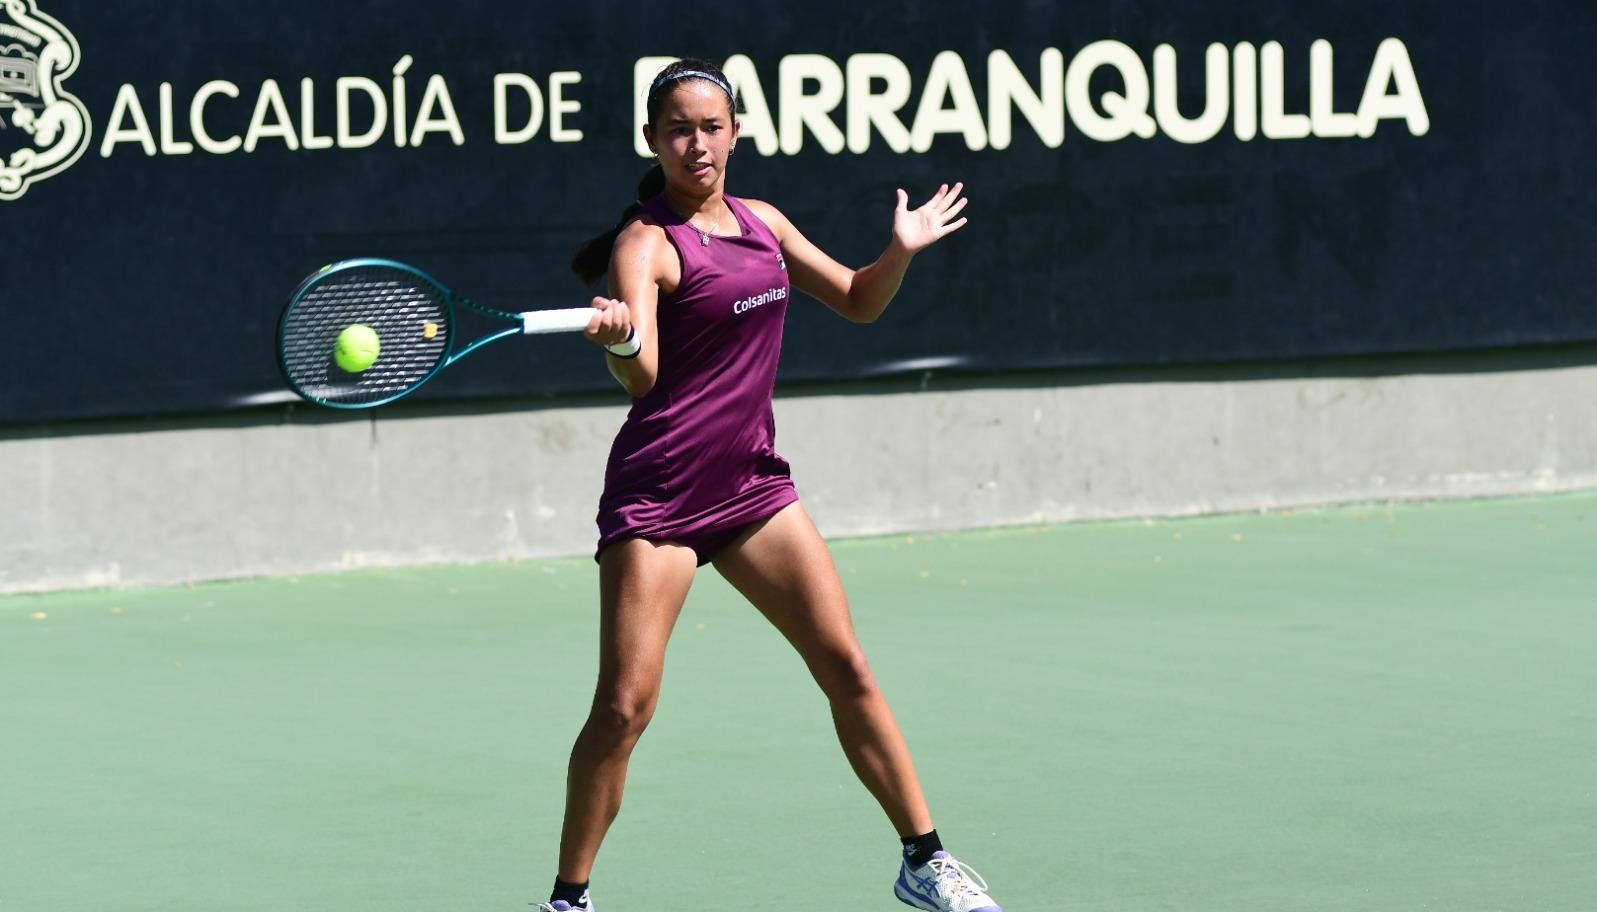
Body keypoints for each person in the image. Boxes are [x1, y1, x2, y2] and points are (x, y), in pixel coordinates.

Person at [542, 58, 997, 912]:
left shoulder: (763, 223)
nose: (696, 143)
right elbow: (642, 378)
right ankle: (569, 900)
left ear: (737, 133)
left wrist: (896, 252)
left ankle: (924, 861)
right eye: (678, 128)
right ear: (652, 140)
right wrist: (615, 335)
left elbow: (860, 301)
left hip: (751, 488)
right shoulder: (645, 244)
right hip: (661, 499)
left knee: (847, 666)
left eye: (711, 127)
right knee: (624, 706)